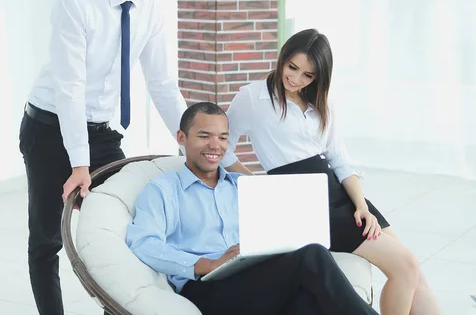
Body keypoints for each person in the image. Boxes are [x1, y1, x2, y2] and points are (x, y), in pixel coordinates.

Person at [18, 0, 189, 314]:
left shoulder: (150, 11)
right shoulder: (76, 1)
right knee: (47, 238)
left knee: (127, 228)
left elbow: (162, 84)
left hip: (101, 131)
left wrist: (190, 140)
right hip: (48, 127)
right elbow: (70, 89)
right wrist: (79, 164)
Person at [222, 29, 444, 315]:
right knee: (406, 267)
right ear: (283, 57)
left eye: (308, 75)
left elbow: (339, 159)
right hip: (308, 202)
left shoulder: (321, 102)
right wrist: (254, 183)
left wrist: (362, 206)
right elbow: (224, 147)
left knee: (415, 274)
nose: (296, 79)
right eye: (292, 67)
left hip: (339, 191)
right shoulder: (252, 97)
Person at [126, 102, 379, 315]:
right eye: (204, 136)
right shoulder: (163, 190)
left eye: (223, 137)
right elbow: (143, 243)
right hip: (204, 288)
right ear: (182, 138)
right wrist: (207, 264)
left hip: (254, 279)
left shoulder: (243, 186)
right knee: (312, 257)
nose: (216, 145)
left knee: (311, 303)